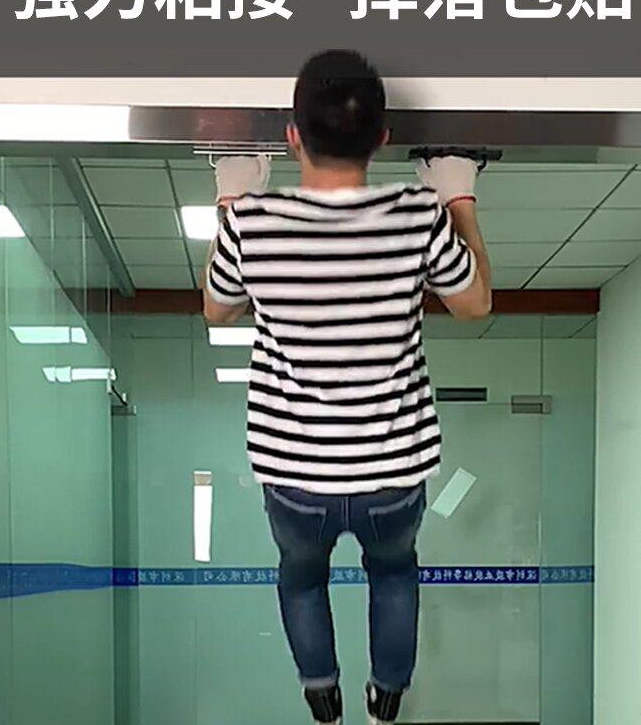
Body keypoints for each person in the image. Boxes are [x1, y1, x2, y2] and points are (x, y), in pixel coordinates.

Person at [203, 50, 492, 725]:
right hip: (392, 470)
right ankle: (386, 698)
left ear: (292, 136)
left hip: (294, 473)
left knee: (302, 578)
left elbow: (217, 310)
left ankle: (321, 695)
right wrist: (458, 198)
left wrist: (232, 199)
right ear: (383, 138)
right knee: (393, 573)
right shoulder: (416, 213)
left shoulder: (252, 222)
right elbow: (474, 303)